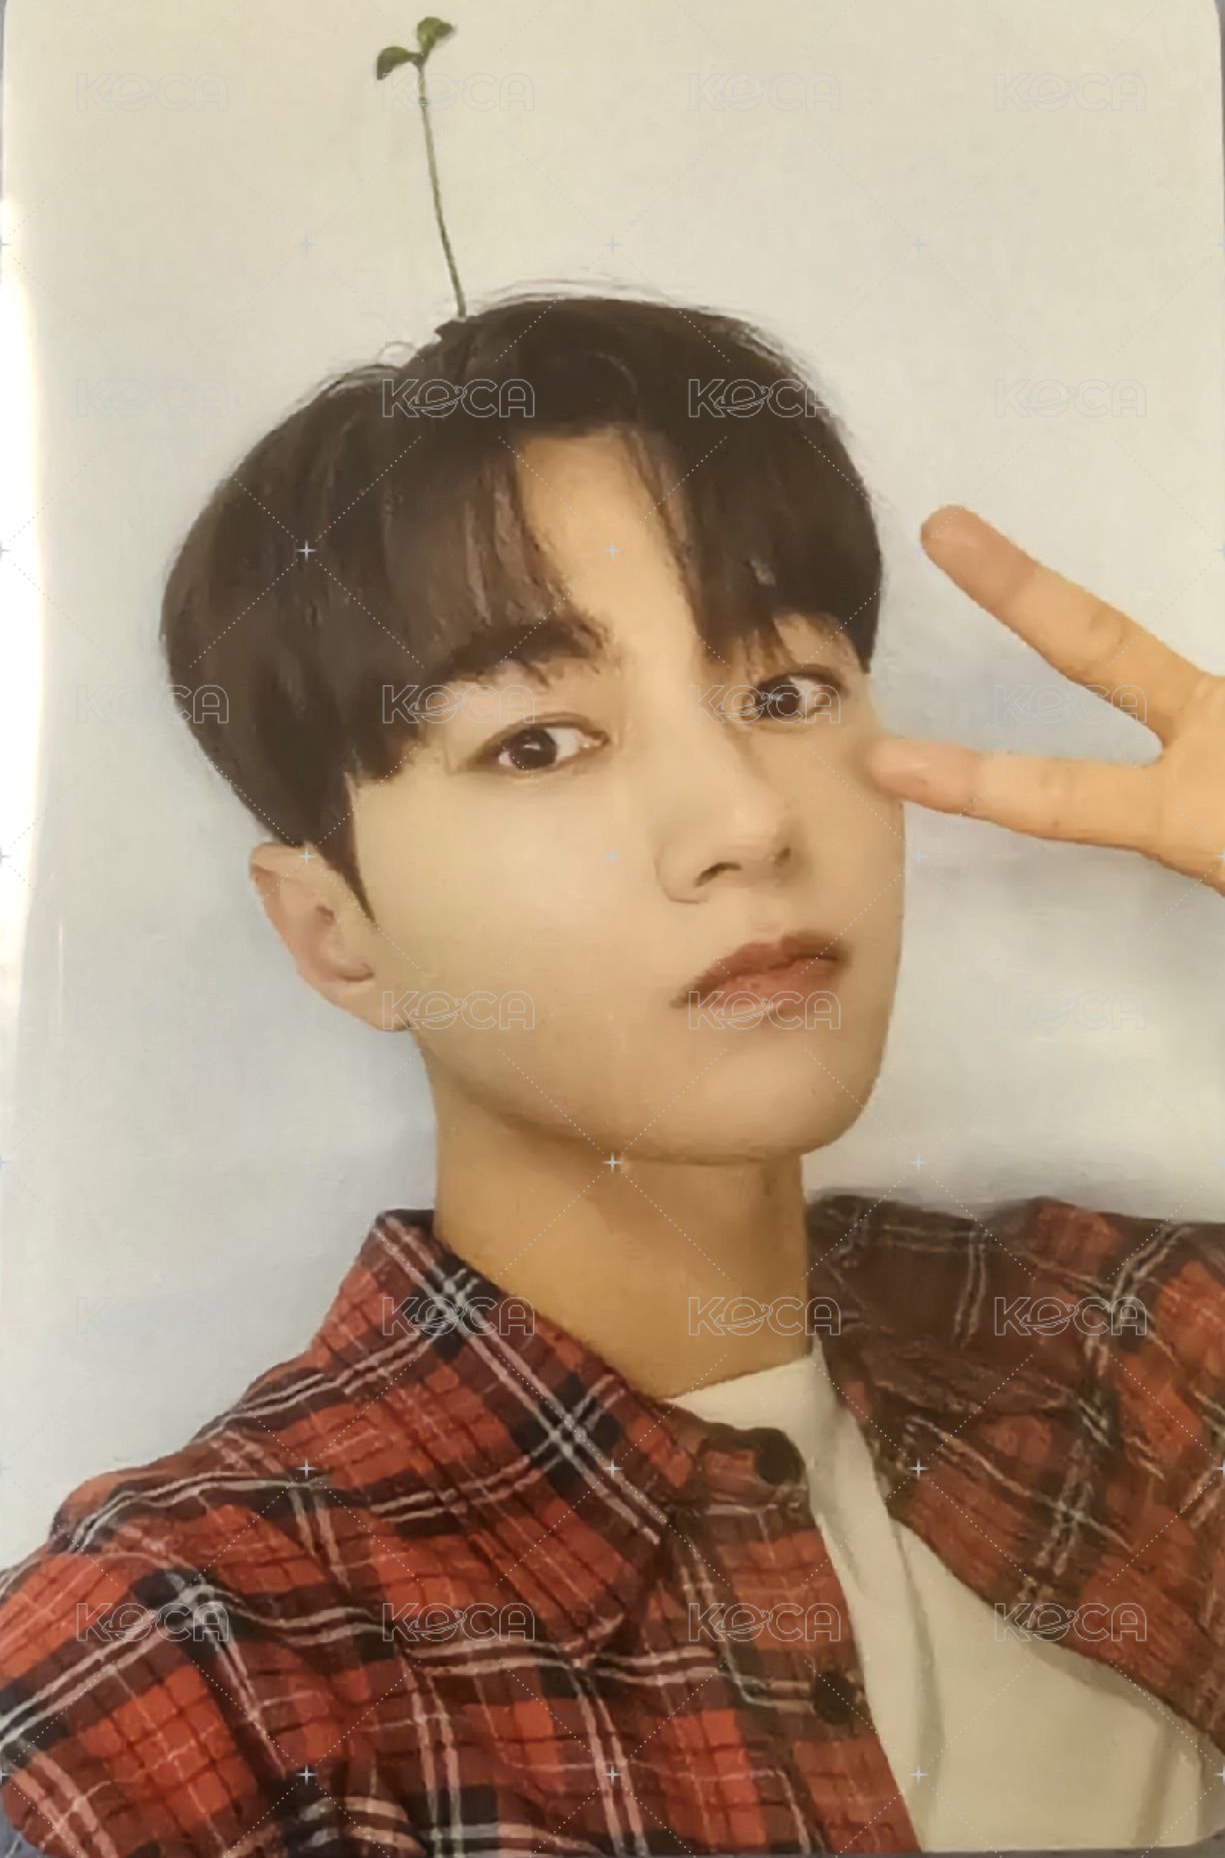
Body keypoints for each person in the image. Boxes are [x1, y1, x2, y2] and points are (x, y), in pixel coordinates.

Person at [2, 293, 1223, 1858]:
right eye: (538, 743)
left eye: (782, 694)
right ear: (336, 935)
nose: (744, 822)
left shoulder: (1122, 1340)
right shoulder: (197, 1659)